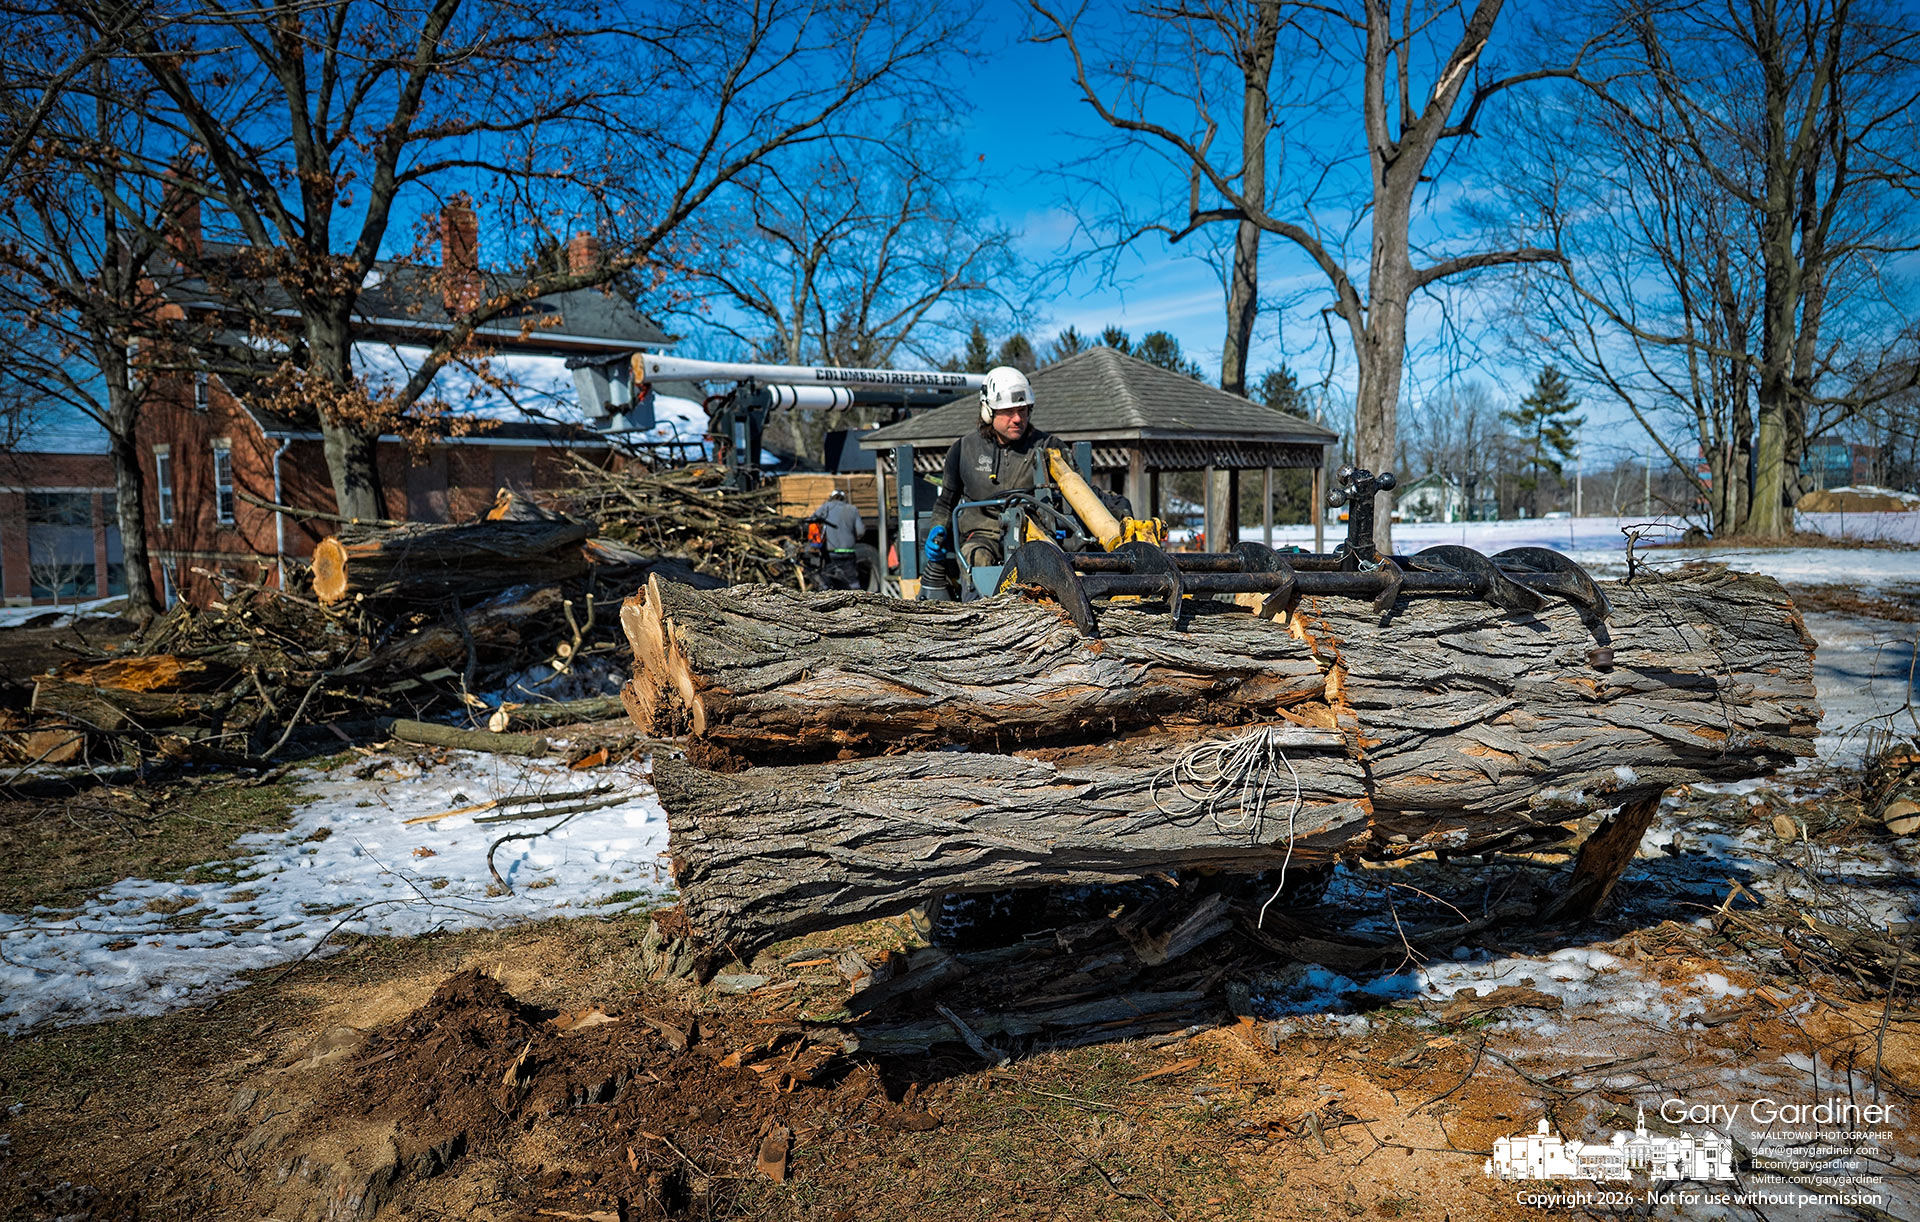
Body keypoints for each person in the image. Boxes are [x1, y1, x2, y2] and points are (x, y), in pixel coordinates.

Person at [921, 365, 1064, 600]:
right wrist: (938, 528)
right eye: (1009, 412)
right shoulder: (963, 450)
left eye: (1023, 410)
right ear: (988, 411)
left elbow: (1074, 494)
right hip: (980, 535)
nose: (1018, 419)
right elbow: (946, 503)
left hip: (1035, 534)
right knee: (977, 557)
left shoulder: (1049, 447)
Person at [806, 488, 865, 589]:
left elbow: (811, 519)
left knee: (828, 578)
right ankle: (859, 599)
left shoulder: (826, 507)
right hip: (848, 551)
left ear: (831, 497)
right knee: (852, 579)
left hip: (832, 553)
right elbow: (860, 531)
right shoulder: (852, 509)